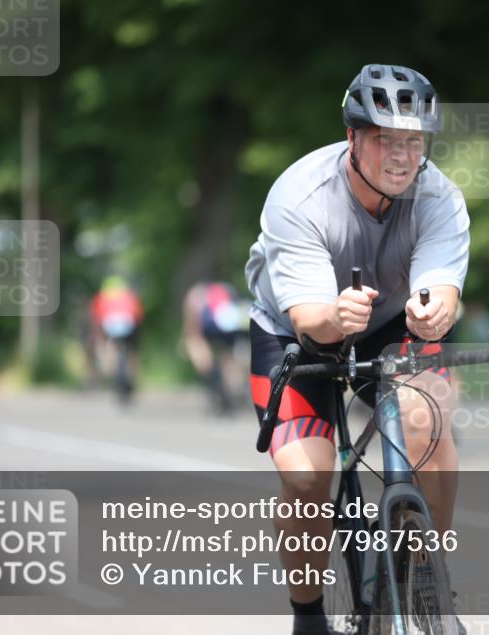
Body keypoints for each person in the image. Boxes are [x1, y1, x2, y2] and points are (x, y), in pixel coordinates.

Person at [245, 64, 468, 635]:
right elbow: (309, 319)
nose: (401, 155)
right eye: (385, 139)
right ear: (352, 137)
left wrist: (436, 309)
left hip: (390, 320)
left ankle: (425, 576)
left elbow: (442, 287)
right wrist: (334, 316)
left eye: (413, 141)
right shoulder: (299, 193)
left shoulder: (439, 195)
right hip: (295, 326)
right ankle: (308, 614)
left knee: (429, 421)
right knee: (305, 481)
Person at [182, 281, 252, 407]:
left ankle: (210, 372)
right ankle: (233, 385)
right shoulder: (228, 289)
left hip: (209, 319)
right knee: (229, 353)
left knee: (193, 340)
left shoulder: (196, 292)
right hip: (230, 319)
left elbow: (192, 320)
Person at [88, 275, 144, 389]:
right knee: (133, 352)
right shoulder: (130, 296)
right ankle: (133, 377)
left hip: (110, 326)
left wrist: (98, 338)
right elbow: (139, 315)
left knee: (110, 349)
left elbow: (96, 318)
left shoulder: (100, 297)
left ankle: (113, 371)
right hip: (130, 325)